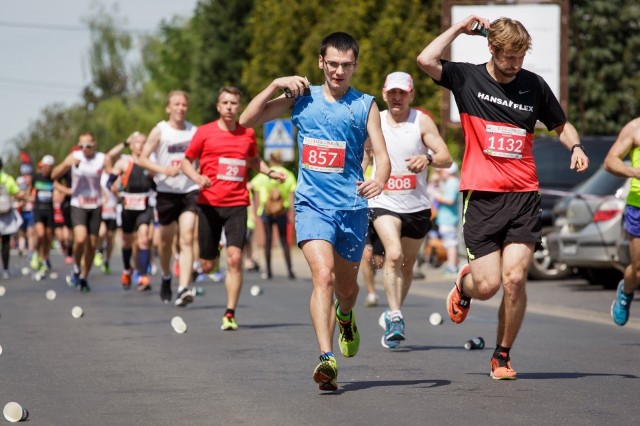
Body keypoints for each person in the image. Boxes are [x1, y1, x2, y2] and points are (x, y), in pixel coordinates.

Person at [417, 16, 589, 380]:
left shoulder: (534, 86)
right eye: (509, 57)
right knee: (487, 285)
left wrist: (574, 145)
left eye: (520, 58)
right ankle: (464, 286)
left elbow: (561, 124)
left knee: (513, 279)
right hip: (481, 198)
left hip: (524, 195)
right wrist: (458, 29)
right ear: (491, 49)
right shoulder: (467, 78)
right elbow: (425, 61)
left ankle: (502, 354)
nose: (515, 65)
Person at [240, 32, 391, 391]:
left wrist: (379, 180)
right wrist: (276, 83)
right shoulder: (301, 100)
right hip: (311, 205)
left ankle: (345, 315)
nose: (339, 71)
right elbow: (247, 119)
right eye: (333, 64)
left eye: (346, 65)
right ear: (321, 63)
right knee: (322, 276)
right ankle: (326, 358)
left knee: (347, 289)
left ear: (355, 65)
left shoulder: (365, 105)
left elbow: (382, 156)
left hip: (352, 208)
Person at [182, 86, 284, 330]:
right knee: (207, 266)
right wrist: (196, 177)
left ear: (239, 106)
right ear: (218, 106)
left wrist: (268, 171)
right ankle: (212, 254)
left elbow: (253, 159)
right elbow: (186, 161)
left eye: (233, 103)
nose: (229, 107)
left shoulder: (247, 133)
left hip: (237, 204)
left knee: (236, 258)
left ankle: (229, 313)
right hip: (208, 204)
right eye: (225, 103)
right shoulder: (204, 132)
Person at [369, 71, 452, 349]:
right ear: (384, 93)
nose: (396, 97)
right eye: (392, 92)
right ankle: (395, 316)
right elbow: (363, 155)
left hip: (416, 206)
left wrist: (427, 158)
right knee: (393, 255)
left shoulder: (421, 121)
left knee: (407, 266)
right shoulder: (374, 119)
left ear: (411, 95)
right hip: (383, 200)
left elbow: (446, 157)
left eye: (402, 93)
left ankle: (393, 311)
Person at [138, 90, 199, 306]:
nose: (180, 108)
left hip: (189, 190)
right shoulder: (160, 130)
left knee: (187, 237)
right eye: (176, 104)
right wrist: (163, 170)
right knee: (165, 242)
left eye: (184, 104)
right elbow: (142, 159)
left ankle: (183, 288)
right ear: (168, 108)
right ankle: (166, 276)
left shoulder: (194, 131)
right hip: (166, 192)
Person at [52, 132, 107, 293]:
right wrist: (65, 164)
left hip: (95, 205)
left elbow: (111, 172)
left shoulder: (100, 158)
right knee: (81, 239)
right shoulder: (74, 156)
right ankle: (76, 267)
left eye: (88, 146)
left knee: (91, 245)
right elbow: (54, 175)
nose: (85, 149)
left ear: (93, 145)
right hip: (78, 204)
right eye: (82, 145)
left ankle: (83, 277)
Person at [107, 131, 156, 291]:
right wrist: (114, 188)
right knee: (127, 242)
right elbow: (110, 182)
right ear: (132, 145)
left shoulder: (150, 162)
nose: (140, 146)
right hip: (128, 207)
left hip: (145, 206)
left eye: (143, 142)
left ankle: (142, 275)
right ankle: (127, 269)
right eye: (137, 143)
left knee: (143, 239)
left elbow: (158, 183)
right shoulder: (124, 162)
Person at [604, 117, 640, 326]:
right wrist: (633, 172)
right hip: (638, 206)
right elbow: (610, 161)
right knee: (637, 270)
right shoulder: (635, 128)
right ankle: (626, 291)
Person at [250, 150, 297, 280]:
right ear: (281, 160)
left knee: (268, 241)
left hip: (266, 211)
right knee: (284, 241)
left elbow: (250, 186)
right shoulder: (288, 174)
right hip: (282, 211)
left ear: (270, 160)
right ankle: (290, 270)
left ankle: (269, 271)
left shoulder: (265, 174)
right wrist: (292, 212)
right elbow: (292, 194)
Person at [31, 155, 57, 277]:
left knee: (48, 237)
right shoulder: (36, 177)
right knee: (40, 235)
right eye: (45, 166)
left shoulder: (53, 178)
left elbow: (58, 190)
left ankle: (44, 257)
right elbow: (28, 191)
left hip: (49, 210)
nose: (47, 169)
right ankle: (36, 254)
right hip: (38, 210)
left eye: (49, 167)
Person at [434, 162, 461, 275]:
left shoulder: (452, 183)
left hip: (449, 218)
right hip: (446, 217)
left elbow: (449, 200)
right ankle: (452, 265)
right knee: (450, 243)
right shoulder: (449, 182)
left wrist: (437, 196)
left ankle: (452, 266)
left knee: (451, 243)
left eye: (441, 171)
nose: (440, 173)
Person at [0, 159, 25, 278]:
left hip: (5, 213)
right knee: (5, 242)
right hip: (5, 215)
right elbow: (17, 193)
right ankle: (5, 269)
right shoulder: (7, 179)